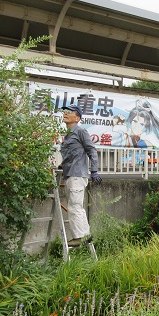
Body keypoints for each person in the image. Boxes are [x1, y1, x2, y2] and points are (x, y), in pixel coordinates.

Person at [60, 104, 103, 247]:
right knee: (77, 206)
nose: (65, 113)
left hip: (77, 175)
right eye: (64, 111)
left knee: (74, 206)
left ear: (77, 118)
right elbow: (70, 155)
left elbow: (92, 151)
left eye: (69, 112)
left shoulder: (80, 131)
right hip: (69, 174)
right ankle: (85, 235)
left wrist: (94, 170)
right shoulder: (68, 135)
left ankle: (78, 237)